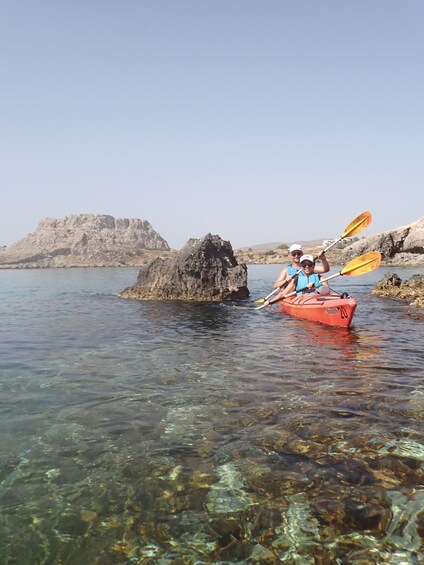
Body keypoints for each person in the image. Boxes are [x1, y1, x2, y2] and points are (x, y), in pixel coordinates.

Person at [264, 251, 330, 307]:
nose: (307, 267)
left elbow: (327, 291)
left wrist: (316, 285)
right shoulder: (296, 279)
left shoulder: (320, 278)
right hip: (302, 302)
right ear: (301, 266)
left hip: (317, 302)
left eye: (309, 264)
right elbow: (283, 294)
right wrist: (270, 302)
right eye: (304, 265)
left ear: (313, 266)